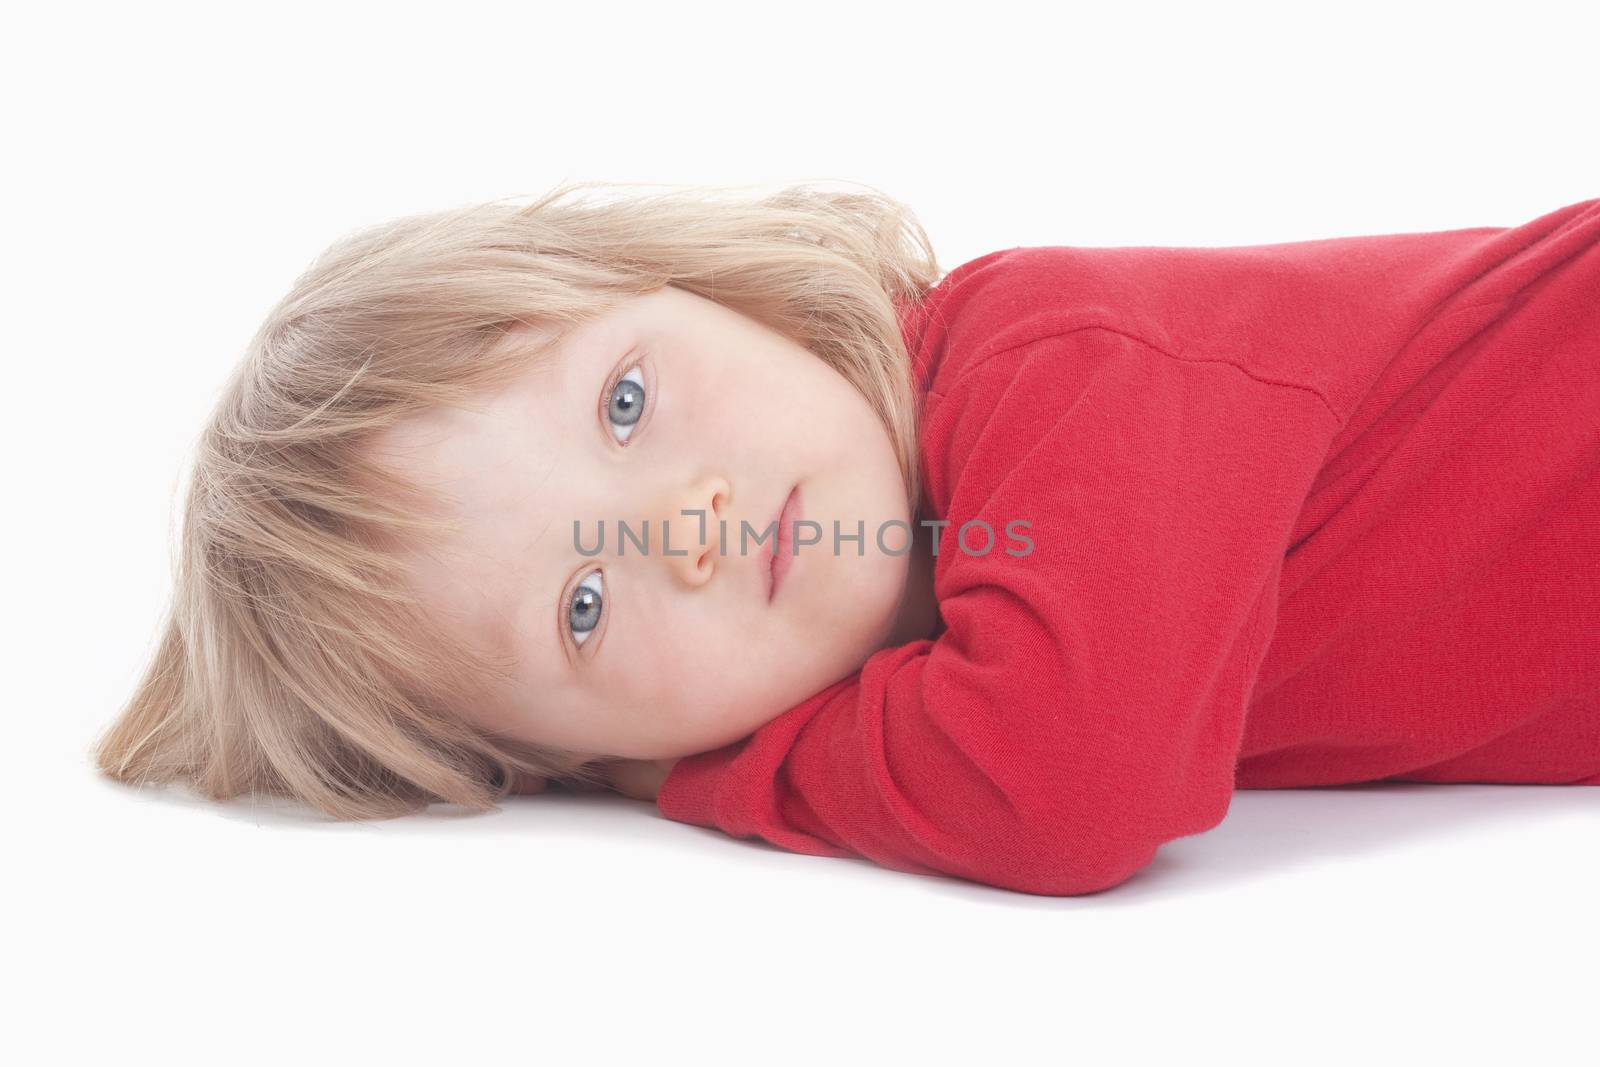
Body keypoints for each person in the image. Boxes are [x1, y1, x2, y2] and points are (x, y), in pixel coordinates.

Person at [91, 181, 1600, 895]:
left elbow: (1070, 781)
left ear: (707, 291)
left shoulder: (1057, 359)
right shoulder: (930, 620)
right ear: (537, 762)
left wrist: (701, 772)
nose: (685, 520)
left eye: (626, 399)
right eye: (585, 612)